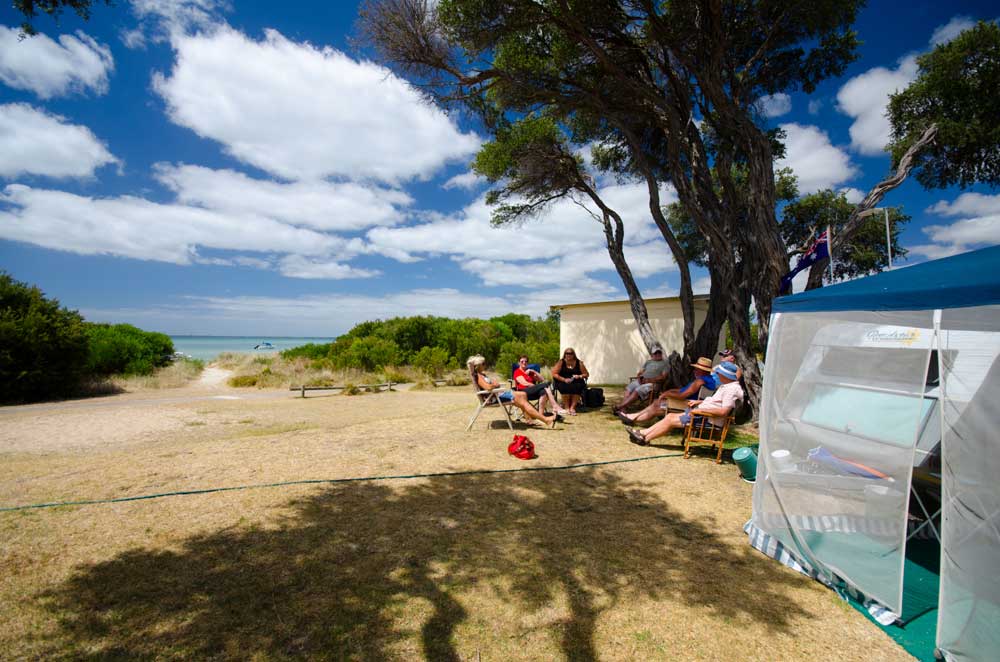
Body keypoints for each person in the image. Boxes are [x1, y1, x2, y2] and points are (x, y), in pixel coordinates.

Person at [626, 361, 743, 446]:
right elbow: (717, 403)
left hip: (706, 418)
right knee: (670, 417)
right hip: (702, 414)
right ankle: (643, 436)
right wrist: (700, 401)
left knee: (670, 418)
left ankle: (643, 435)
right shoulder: (728, 386)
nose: (717, 375)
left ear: (724, 375)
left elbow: (724, 411)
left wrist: (700, 410)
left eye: (719, 373)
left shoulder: (731, 390)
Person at [617, 356, 716, 426]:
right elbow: (683, 390)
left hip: (686, 404)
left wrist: (667, 394)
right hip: (690, 403)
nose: (695, 371)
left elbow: (683, 395)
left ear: (703, 370)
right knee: (657, 403)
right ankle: (632, 417)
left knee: (657, 405)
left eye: (697, 369)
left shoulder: (700, 381)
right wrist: (670, 391)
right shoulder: (709, 380)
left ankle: (632, 418)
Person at [468, 355, 558, 428]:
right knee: (522, 400)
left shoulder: (482, 375)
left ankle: (529, 419)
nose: (485, 365)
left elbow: (493, 384)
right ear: (478, 365)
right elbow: (488, 387)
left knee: (523, 395)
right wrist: (494, 385)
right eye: (483, 363)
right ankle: (545, 419)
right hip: (493, 398)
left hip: (497, 394)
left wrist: (495, 384)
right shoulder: (478, 376)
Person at [613, 345, 670, 413]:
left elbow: (663, 377)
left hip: (653, 383)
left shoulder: (665, 364)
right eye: (656, 353)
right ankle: (623, 409)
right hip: (642, 381)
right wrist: (639, 377)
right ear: (652, 355)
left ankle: (620, 407)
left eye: (659, 353)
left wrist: (649, 380)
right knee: (629, 389)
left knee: (637, 390)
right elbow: (640, 372)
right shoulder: (648, 362)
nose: (658, 354)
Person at [551, 348, 589, 414]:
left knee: (577, 387)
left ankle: (572, 407)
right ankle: (566, 407)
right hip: (562, 381)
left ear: (573, 354)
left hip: (576, 381)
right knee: (565, 387)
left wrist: (579, 376)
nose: (568, 355)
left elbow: (586, 374)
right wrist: (564, 379)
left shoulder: (579, 362)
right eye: (567, 353)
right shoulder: (561, 362)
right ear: (565, 354)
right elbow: (554, 374)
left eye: (570, 353)